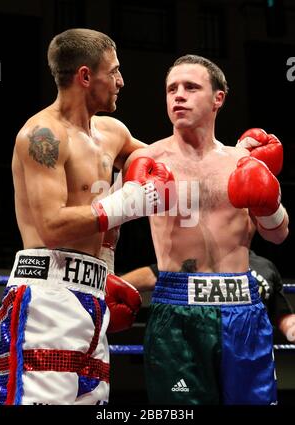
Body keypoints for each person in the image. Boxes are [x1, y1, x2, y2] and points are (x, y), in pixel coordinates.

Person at [0, 28, 175, 405]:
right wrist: (127, 202)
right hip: (46, 300)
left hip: (94, 297)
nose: (122, 81)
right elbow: (52, 225)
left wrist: (235, 155)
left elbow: (171, 162)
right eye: (115, 71)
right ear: (86, 76)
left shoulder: (112, 132)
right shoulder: (42, 135)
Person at [121, 54, 289, 405]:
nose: (178, 95)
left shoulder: (244, 162)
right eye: (171, 89)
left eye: (191, 87)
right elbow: (106, 225)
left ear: (218, 98)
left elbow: (278, 234)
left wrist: (268, 203)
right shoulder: (147, 160)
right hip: (176, 309)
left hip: (241, 308)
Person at [121, 255, 295, 342]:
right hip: (197, 345)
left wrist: (291, 328)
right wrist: (110, 287)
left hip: (250, 349)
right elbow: (153, 274)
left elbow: (281, 313)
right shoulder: (201, 258)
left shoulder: (265, 266)